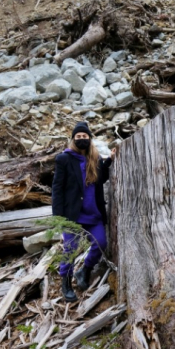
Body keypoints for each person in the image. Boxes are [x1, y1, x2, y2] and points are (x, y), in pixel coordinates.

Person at [52, 121, 115, 302]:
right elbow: (57, 188)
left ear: (89, 139)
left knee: (101, 243)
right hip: (72, 214)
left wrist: (109, 160)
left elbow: (101, 179)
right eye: (78, 137)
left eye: (84, 137)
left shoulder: (94, 159)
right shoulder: (64, 159)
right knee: (70, 249)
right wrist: (58, 216)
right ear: (73, 139)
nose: (81, 139)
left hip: (93, 213)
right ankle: (66, 283)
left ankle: (84, 271)